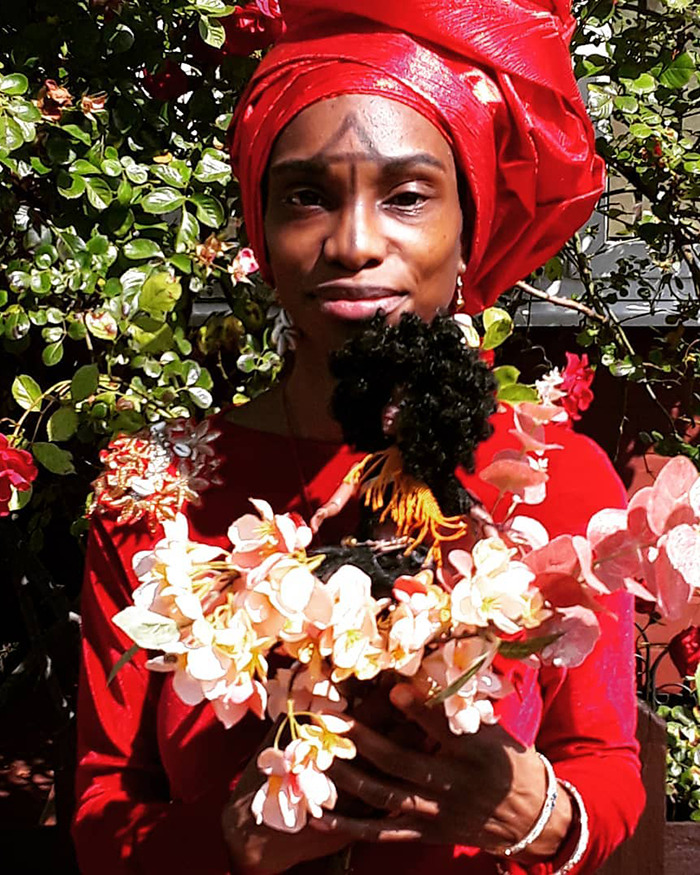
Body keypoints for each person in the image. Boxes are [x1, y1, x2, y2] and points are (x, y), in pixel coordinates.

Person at [72, 2, 645, 873]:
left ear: (470, 229)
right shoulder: (155, 490)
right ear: (261, 233)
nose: (353, 243)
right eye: (308, 195)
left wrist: (539, 814)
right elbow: (102, 806)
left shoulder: (554, 480)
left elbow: (607, 770)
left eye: (408, 196)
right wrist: (229, 844)